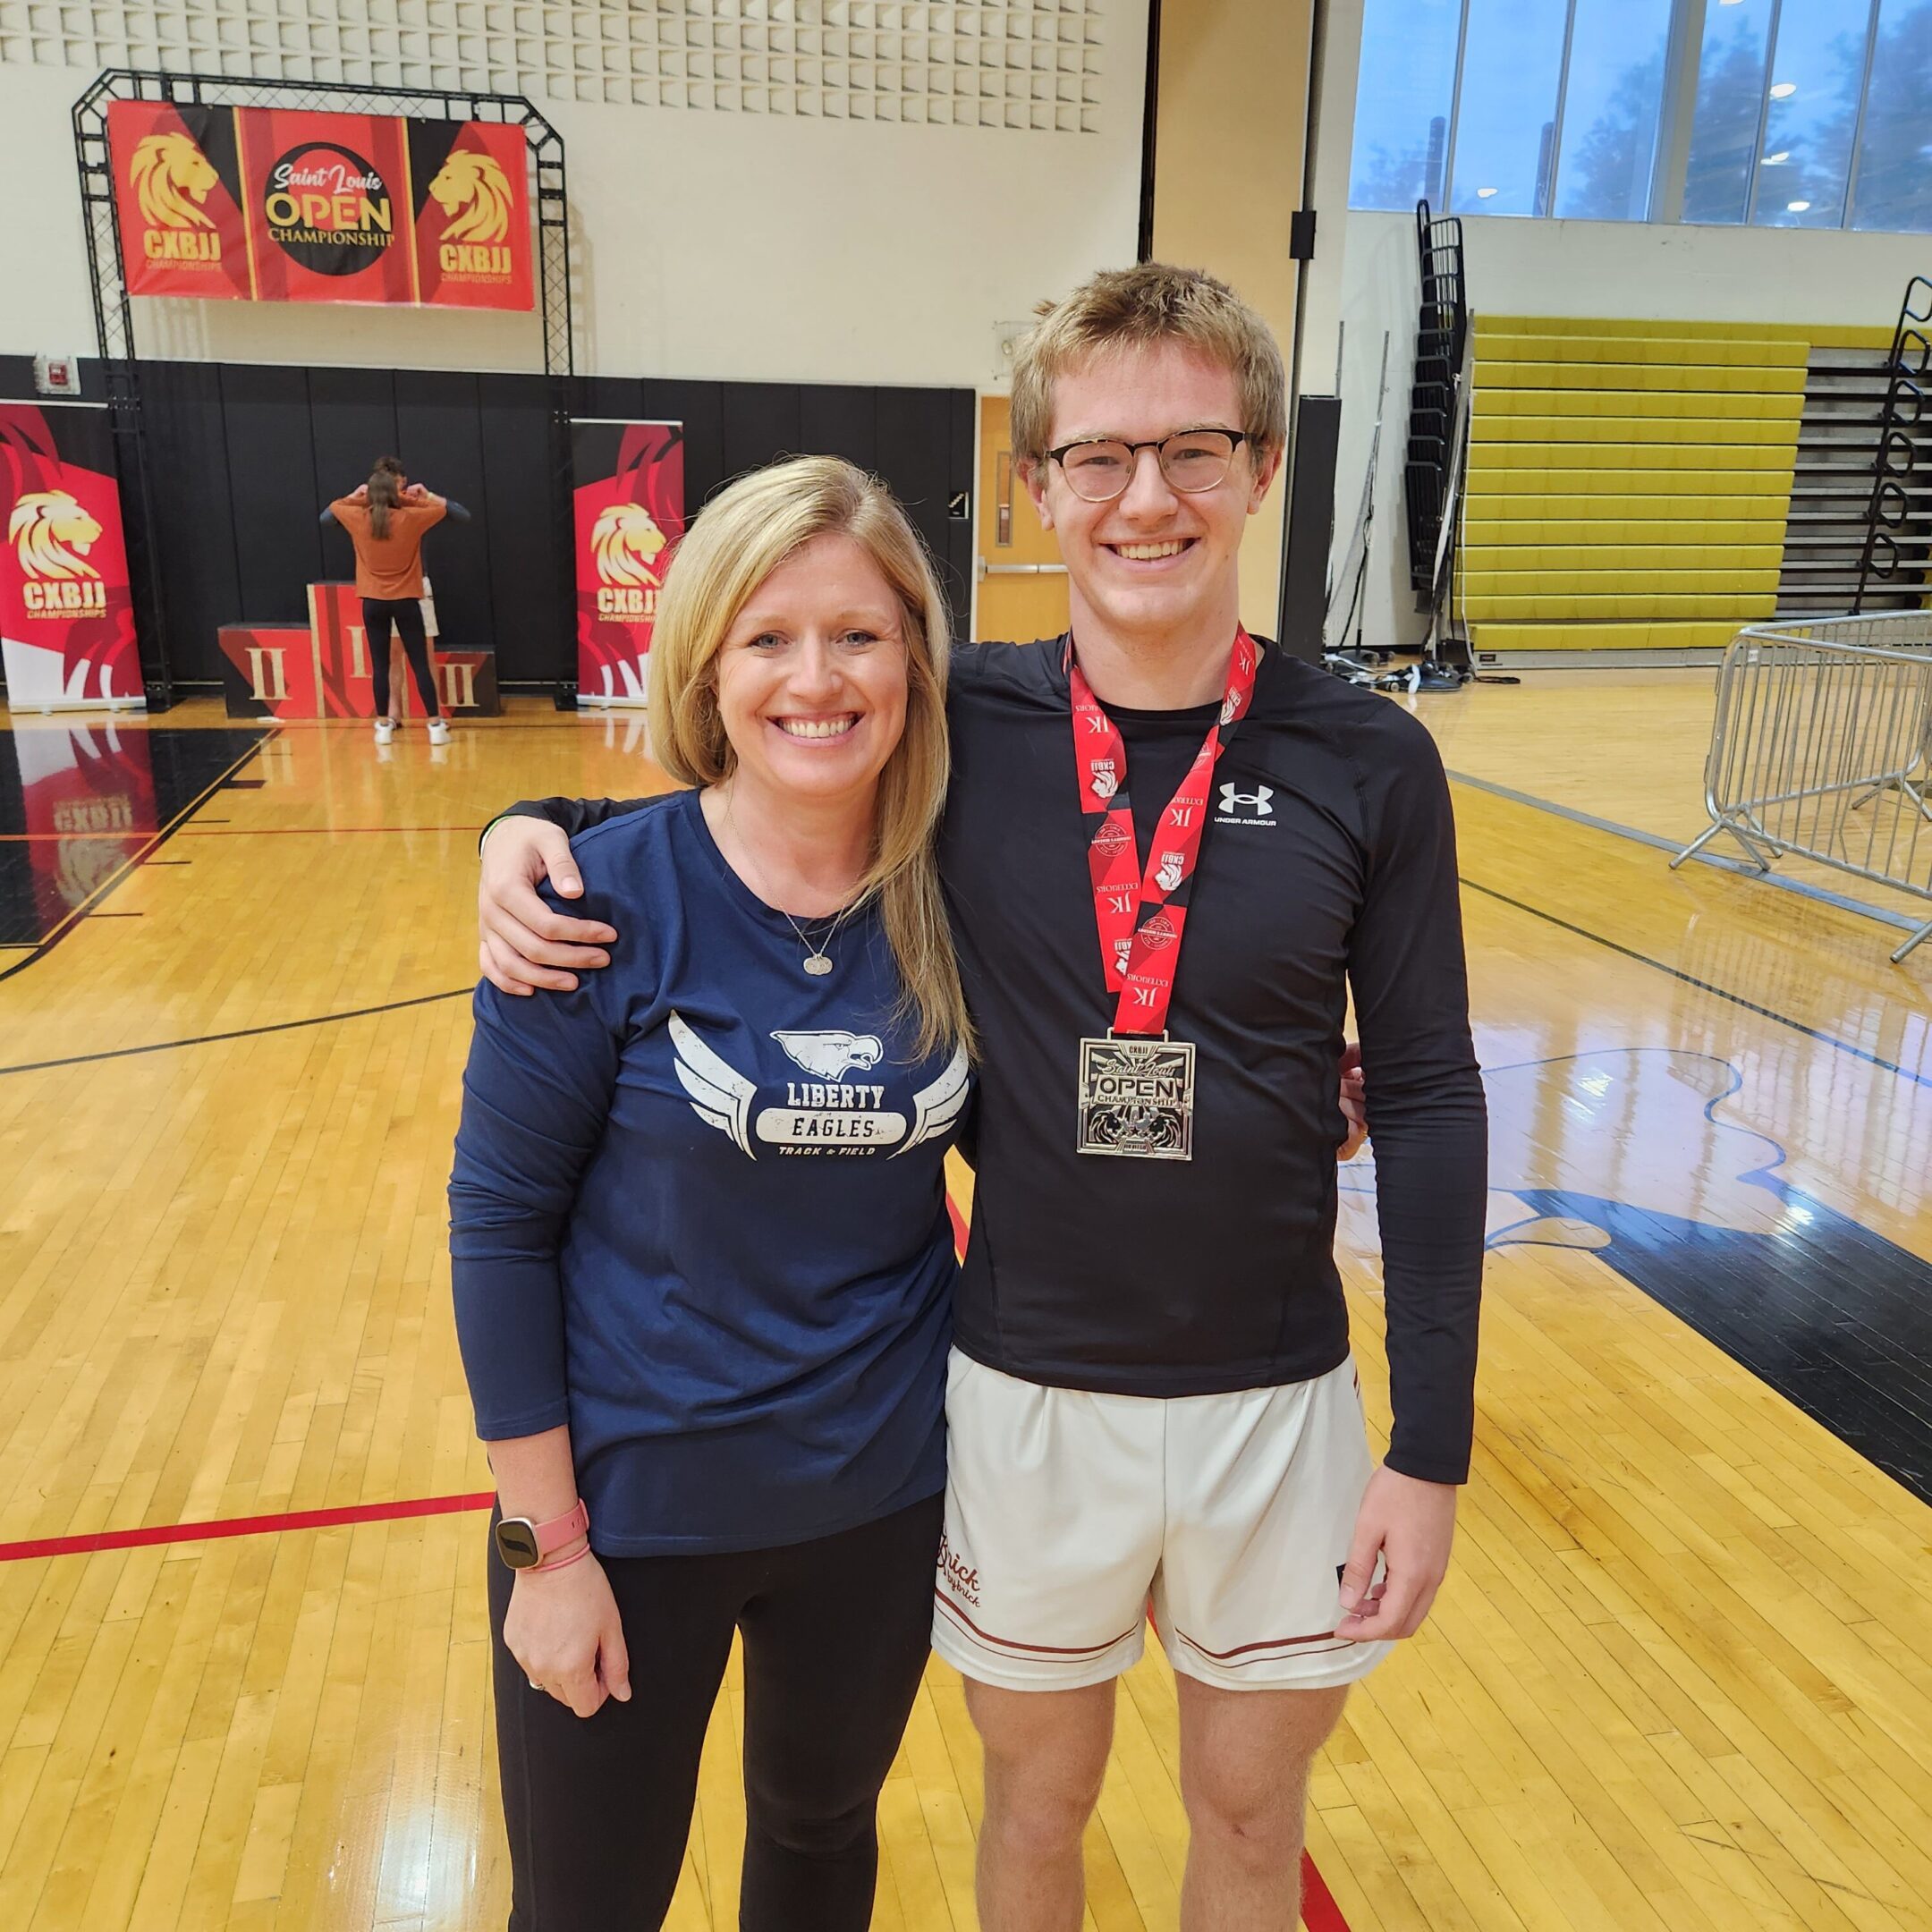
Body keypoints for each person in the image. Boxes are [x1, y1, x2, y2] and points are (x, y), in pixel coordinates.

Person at [477, 264, 1487, 1932]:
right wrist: (531, 825)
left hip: (1280, 1396)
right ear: (1035, 485)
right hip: (1022, 1394)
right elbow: (755, 783)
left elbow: (1435, 1096)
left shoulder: (1372, 760)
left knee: (1250, 1814)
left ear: (1261, 469)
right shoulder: (960, 728)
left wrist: (1431, 1444)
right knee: (1037, 1807)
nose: (1145, 498)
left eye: (1194, 451)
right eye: (1097, 457)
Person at [449, 455, 974, 1932]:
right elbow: (498, 1230)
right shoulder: (590, 910)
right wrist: (542, 1552)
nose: (818, 677)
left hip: (878, 1510)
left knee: (819, 1846)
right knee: (589, 1905)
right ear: (707, 665)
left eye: (860, 634)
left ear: (916, 659)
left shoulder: (960, 891)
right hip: (629, 1523)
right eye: (769, 638)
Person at [323, 456, 469, 746]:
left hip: (374, 599)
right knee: (416, 663)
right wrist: (422, 497)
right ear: (392, 488)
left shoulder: (358, 517)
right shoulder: (412, 518)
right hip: (407, 597)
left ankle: (382, 727)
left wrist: (356, 497)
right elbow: (451, 511)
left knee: (381, 665)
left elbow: (328, 515)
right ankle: (433, 725)